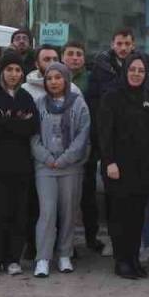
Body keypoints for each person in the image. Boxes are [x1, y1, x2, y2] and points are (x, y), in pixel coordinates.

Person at [99, 55, 149, 280]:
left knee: (137, 217)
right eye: (132, 69)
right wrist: (109, 162)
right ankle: (122, 261)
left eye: (141, 70)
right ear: (125, 71)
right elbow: (104, 132)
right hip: (118, 168)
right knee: (120, 217)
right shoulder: (112, 97)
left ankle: (134, 259)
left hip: (143, 169)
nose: (136, 73)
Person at [0, 51, 39, 276]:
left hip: (21, 166)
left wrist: (7, 121)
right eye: (9, 70)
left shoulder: (25, 97)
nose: (14, 74)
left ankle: (13, 258)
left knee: (18, 213)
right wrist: (15, 122)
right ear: (1, 71)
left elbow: (32, 126)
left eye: (17, 70)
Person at [31, 63, 91, 277]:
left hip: (71, 167)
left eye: (58, 77)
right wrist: (47, 158)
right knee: (47, 212)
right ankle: (43, 258)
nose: (54, 82)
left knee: (68, 212)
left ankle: (65, 253)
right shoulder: (38, 104)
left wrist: (65, 158)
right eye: (49, 78)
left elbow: (83, 136)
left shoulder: (79, 104)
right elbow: (33, 137)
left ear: (66, 80)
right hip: (45, 167)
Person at [62, 40, 108, 257]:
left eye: (79, 54)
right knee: (63, 198)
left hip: (86, 144)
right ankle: (64, 242)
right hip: (59, 147)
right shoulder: (55, 78)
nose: (75, 58)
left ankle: (91, 237)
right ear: (63, 57)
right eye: (70, 54)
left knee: (87, 197)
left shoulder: (91, 81)